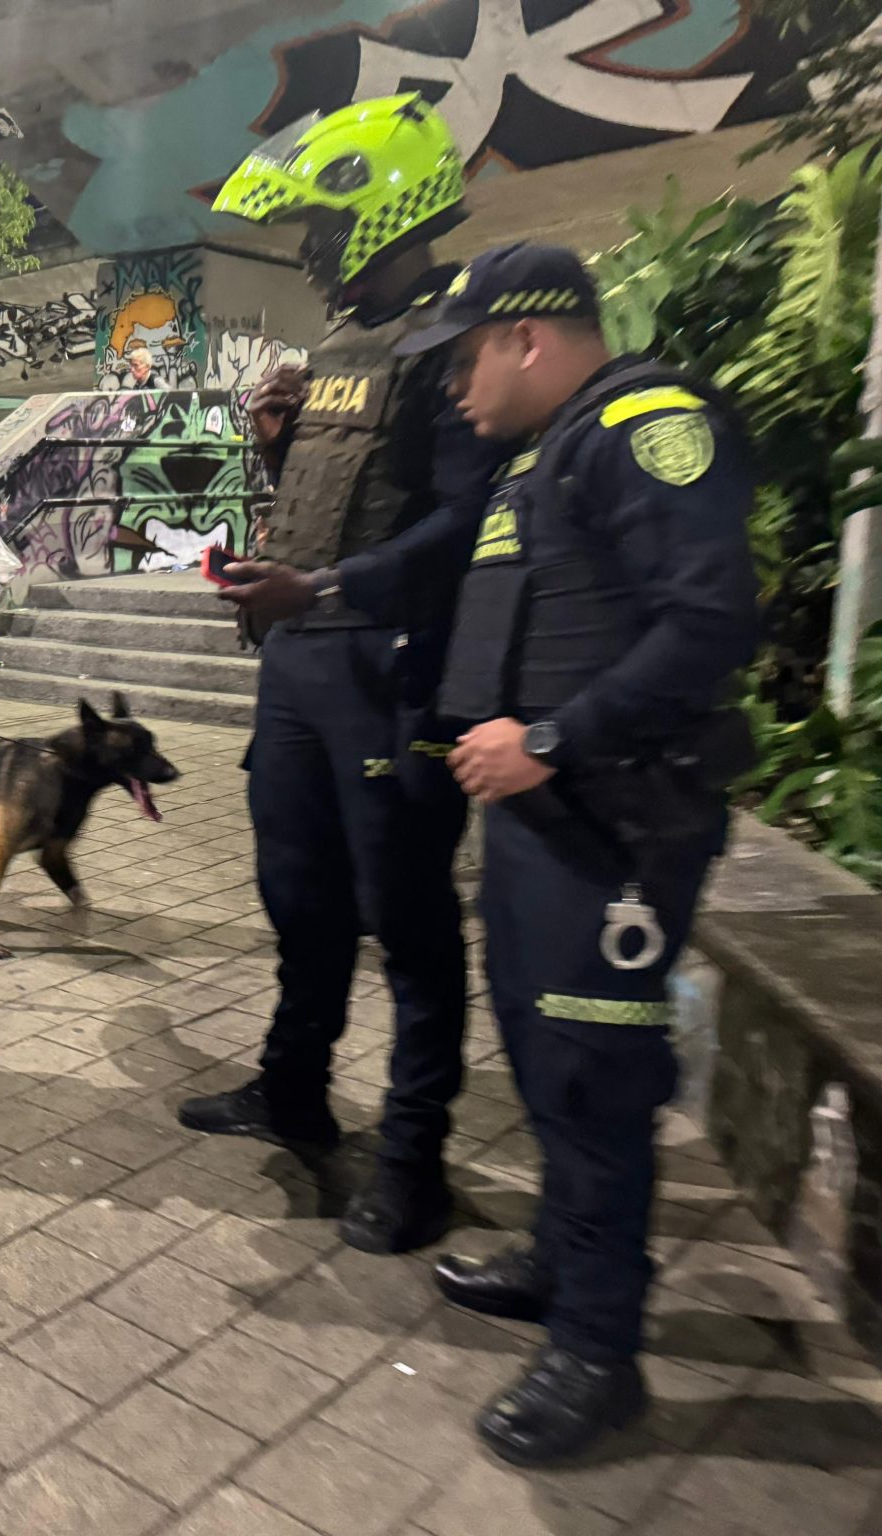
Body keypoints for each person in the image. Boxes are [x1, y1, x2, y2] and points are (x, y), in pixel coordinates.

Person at [394, 243, 756, 1464]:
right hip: (543, 823)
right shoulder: (543, 454)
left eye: (461, 358)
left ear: (527, 338)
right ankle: (559, 1263)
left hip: (615, 824)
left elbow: (706, 624)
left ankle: (599, 1354)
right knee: (547, 1060)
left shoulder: (646, 430)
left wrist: (548, 739)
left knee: (596, 1083)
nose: (451, 387)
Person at [176, 94, 503, 1255]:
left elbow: (465, 526)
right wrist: (273, 530)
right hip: (302, 674)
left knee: (406, 925)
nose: (309, 249)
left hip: (387, 675)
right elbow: (341, 501)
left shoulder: (450, 346)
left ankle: (410, 1163)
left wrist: (315, 592)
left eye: (321, 224)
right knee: (297, 899)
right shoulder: (345, 348)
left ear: (381, 212)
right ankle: (292, 1088)